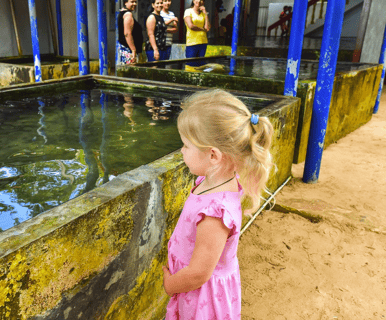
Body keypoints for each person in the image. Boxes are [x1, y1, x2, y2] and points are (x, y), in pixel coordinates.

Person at [162, 89, 274, 319]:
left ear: (213, 156)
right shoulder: (213, 180)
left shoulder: (214, 213)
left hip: (202, 298)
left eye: (185, 145)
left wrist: (170, 284)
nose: (182, 151)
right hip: (195, 290)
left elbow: (199, 273)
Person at [183, 0, 210, 66]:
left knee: (201, 65)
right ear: (193, 1)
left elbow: (207, 28)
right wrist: (202, 29)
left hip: (203, 42)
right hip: (192, 43)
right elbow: (191, 26)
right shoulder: (188, 11)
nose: (199, 1)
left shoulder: (203, 13)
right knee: (190, 65)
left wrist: (205, 14)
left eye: (201, 0)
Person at [117, 0, 143, 65]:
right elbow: (127, 34)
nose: (134, 4)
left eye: (135, 2)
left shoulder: (122, 13)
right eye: (132, 2)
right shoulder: (128, 14)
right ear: (125, 2)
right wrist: (133, 50)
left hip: (125, 49)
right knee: (130, 73)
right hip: (128, 50)